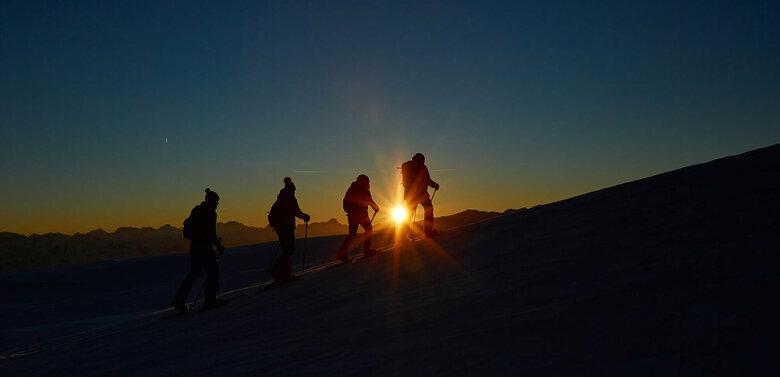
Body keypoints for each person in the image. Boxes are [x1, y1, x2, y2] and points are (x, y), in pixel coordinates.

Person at [169, 188, 226, 313]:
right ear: (212, 201)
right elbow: (211, 232)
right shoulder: (210, 213)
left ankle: (179, 300)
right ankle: (210, 300)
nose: (217, 205)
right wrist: (218, 245)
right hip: (204, 247)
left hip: (194, 246)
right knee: (213, 272)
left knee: (194, 273)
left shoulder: (197, 210)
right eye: (216, 202)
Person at [266, 177, 310, 283]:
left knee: (287, 249)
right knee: (289, 249)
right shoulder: (289, 197)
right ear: (292, 189)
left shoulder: (282, 197)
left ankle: (281, 272)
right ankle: (280, 272)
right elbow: (295, 211)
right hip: (286, 227)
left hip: (279, 227)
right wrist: (305, 216)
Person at [334, 174, 380, 263]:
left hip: (352, 215)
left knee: (352, 234)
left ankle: (342, 254)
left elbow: (346, 202)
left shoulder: (351, 189)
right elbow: (369, 200)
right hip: (361, 215)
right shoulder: (364, 189)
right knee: (369, 230)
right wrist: (376, 208)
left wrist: (349, 211)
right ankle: (367, 251)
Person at [401, 153, 440, 237]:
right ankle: (428, 232)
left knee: (409, 214)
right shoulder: (423, 167)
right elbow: (427, 180)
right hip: (422, 194)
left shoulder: (407, 167)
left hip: (410, 195)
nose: (424, 162)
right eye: (423, 160)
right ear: (421, 160)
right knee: (428, 209)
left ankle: (403, 236)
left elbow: (405, 183)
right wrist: (435, 185)